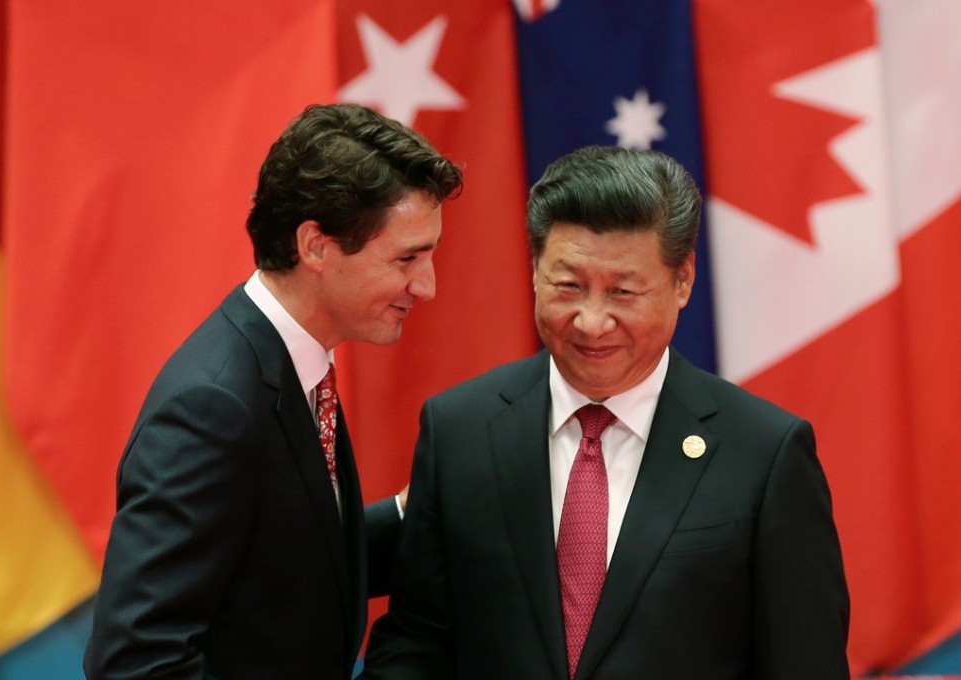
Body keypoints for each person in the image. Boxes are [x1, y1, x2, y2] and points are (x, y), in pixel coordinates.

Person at [361, 146, 850, 679]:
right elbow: (416, 643)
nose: (592, 322)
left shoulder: (764, 453)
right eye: (568, 286)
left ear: (682, 281)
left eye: (623, 292)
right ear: (534, 270)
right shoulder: (461, 429)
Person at [84, 103, 463, 679]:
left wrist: (415, 513)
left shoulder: (292, 363)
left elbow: (283, 565)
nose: (426, 286)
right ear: (315, 245)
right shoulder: (211, 407)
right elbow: (136, 662)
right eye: (407, 258)